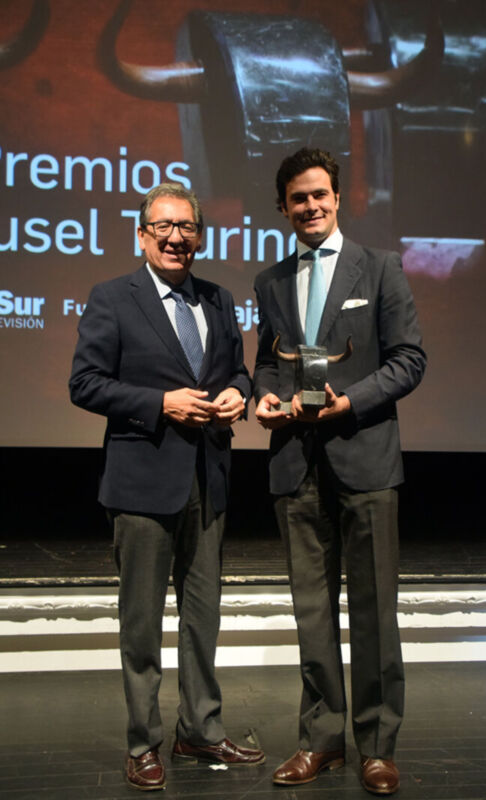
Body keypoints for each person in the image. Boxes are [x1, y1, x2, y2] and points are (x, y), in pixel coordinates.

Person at [69, 183, 264, 791]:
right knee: (143, 623)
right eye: (164, 227)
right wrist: (160, 402)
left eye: (186, 228)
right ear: (142, 234)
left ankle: (200, 730)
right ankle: (143, 742)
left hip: (209, 480)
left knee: (203, 618)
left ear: (200, 237)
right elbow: (85, 384)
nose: (176, 237)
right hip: (141, 486)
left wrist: (241, 392)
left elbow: (236, 369)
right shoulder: (112, 298)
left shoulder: (218, 297)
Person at [253, 148, 426, 796]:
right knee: (312, 613)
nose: (311, 207)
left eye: (320, 195)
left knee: (376, 612)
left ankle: (376, 746)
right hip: (296, 463)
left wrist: (353, 401)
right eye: (298, 198)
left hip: (365, 458)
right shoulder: (270, 282)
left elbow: (409, 360)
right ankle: (320, 740)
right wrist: (261, 398)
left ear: (337, 197)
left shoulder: (380, 269)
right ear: (282, 206)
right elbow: (269, 363)